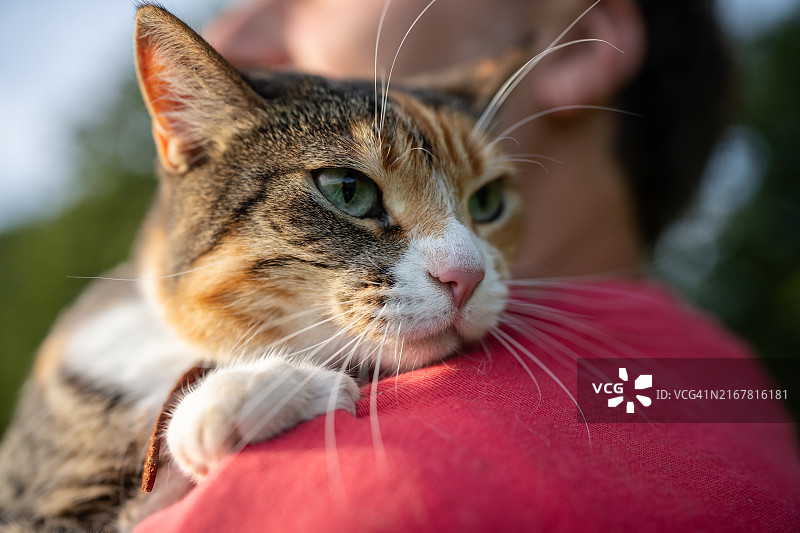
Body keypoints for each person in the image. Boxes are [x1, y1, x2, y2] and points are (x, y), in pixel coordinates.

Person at [133, 0, 800, 531]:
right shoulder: (727, 384)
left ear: (582, 41)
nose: (235, 30)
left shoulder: (388, 486)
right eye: (350, 187)